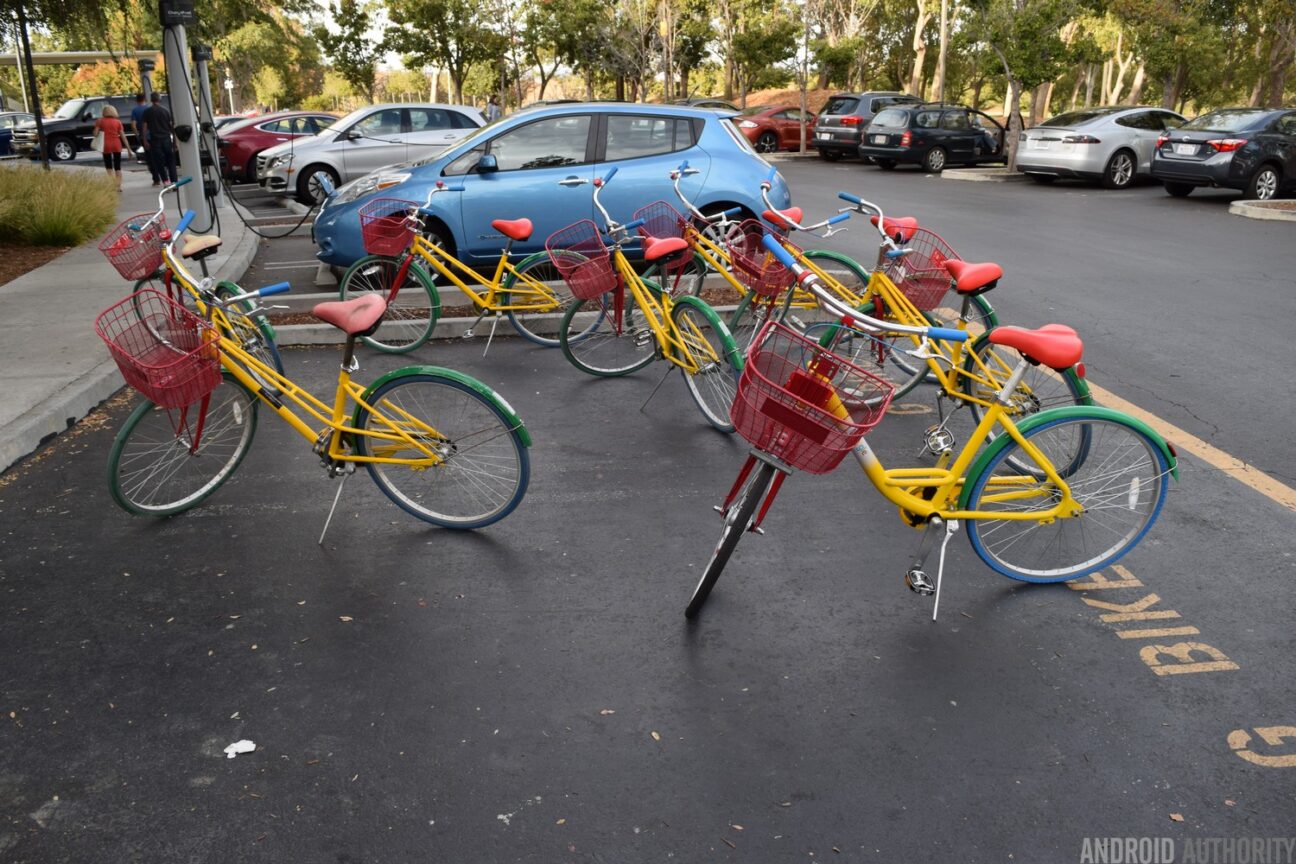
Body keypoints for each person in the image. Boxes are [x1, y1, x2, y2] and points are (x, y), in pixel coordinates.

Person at [143, 92, 178, 185]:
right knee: (170, 160)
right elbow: (172, 127)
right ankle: (174, 181)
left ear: (151, 100)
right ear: (159, 99)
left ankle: (166, 181)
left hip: (155, 140)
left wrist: (145, 140)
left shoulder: (147, 112)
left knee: (159, 162)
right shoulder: (166, 111)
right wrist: (175, 141)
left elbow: (145, 127)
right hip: (166, 139)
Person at [93, 104, 131, 189]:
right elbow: (123, 136)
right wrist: (128, 149)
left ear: (104, 112)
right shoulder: (118, 122)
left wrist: (99, 131)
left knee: (109, 166)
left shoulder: (100, 121)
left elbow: (95, 134)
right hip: (116, 145)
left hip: (105, 145)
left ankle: (112, 185)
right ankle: (119, 186)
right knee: (118, 167)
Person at [130, 93, 161, 185]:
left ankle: (156, 179)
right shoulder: (149, 109)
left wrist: (137, 134)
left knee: (150, 158)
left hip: (144, 137)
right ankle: (163, 175)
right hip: (155, 135)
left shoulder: (135, 110)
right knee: (157, 156)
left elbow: (133, 125)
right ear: (145, 99)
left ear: (137, 100)